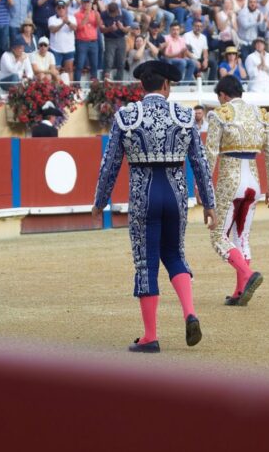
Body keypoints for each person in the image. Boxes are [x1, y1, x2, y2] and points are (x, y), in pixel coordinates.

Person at [93, 61, 216, 353]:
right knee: (174, 253)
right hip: (175, 194)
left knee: (145, 261)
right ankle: (190, 312)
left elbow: (110, 163)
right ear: (166, 86)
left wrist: (100, 201)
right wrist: (209, 202)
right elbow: (199, 162)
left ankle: (150, 336)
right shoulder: (185, 116)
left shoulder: (127, 116)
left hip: (143, 195)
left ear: (142, 87)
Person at [203, 75, 269, 306]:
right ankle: (239, 292)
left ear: (223, 96)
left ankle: (247, 276)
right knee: (241, 236)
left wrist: (204, 187)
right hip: (253, 183)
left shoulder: (220, 114)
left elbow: (210, 154)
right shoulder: (261, 115)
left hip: (230, 180)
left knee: (218, 236)